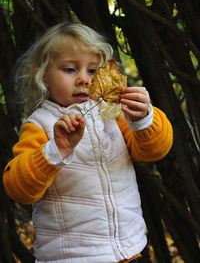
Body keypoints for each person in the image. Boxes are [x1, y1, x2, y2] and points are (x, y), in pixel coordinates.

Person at [3, 22, 173, 263]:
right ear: (42, 77)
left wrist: (144, 119)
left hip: (128, 248)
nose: (84, 79)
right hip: (71, 257)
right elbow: (19, 189)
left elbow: (154, 151)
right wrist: (57, 149)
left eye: (93, 71)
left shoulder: (113, 115)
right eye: (70, 69)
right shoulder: (40, 125)